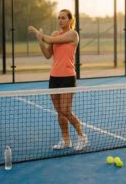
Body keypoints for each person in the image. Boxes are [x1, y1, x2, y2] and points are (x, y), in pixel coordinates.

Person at [28, 9, 88, 151]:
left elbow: (50, 39)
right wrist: (40, 40)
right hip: (54, 78)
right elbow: (48, 55)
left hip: (68, 77)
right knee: (59, 112)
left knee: (66, 110)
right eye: (58, 18)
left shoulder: (73, 35)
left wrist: (38, 33)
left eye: (63, 18)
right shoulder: (55, 34)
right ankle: (66, 140)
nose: (60, 20)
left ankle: (82, 137)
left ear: (70, 20)